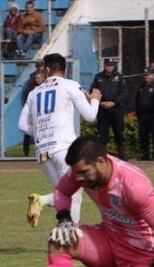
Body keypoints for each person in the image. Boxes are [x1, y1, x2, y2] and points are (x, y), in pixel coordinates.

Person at [46, 136, 154, 267]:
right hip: (108, 238)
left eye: (83, 172)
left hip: (140, 253)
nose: (77, 178)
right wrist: (64, 219)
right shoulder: (80, 172)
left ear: (100, 161)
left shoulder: (133, 185)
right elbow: (62, 191)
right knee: (59, 240)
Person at [18, 53, 102, 227]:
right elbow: (90, 116)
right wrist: (94, 100)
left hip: (42, 151)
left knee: (64, 192)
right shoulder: (70, 85)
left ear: (47, 69)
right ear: (65, 69)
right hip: (63, 147)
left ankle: (64, 228)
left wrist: (42, 133)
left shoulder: (34, 92)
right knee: (74, 192)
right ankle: (67, 231)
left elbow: (22, 125)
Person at [89, 59, 128, 160]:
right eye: (108, 65)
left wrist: (114, 102)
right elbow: (93, 91)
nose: (110, 67)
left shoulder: (119, 77)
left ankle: (122, 156)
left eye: (112, 65)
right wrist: (99, 102)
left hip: (116, 109)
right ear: (104, 66)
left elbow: (124, 93)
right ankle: (102, 156)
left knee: (119, 133)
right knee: (103, 135)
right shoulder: (98, 77)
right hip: (103, 109)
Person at [135, 70, 154, 161]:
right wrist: (137, 113)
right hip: (142, 115)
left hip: (153, 115)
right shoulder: (141, 87)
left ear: (152, 76)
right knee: (143, 135)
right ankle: (145, 154)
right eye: (145, 75)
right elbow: (137, 101)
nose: (146, 77)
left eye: (148, 75)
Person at [21, 69, 45, 157]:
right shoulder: (31, 88)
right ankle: (26, 152)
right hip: (33, 113)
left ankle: (43, 152)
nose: (37, 80)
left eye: (38, 78)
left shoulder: (47, 87)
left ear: (43, 78)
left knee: (43, 133)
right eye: (36, 78)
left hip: (43, 114)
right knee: (27, 133)